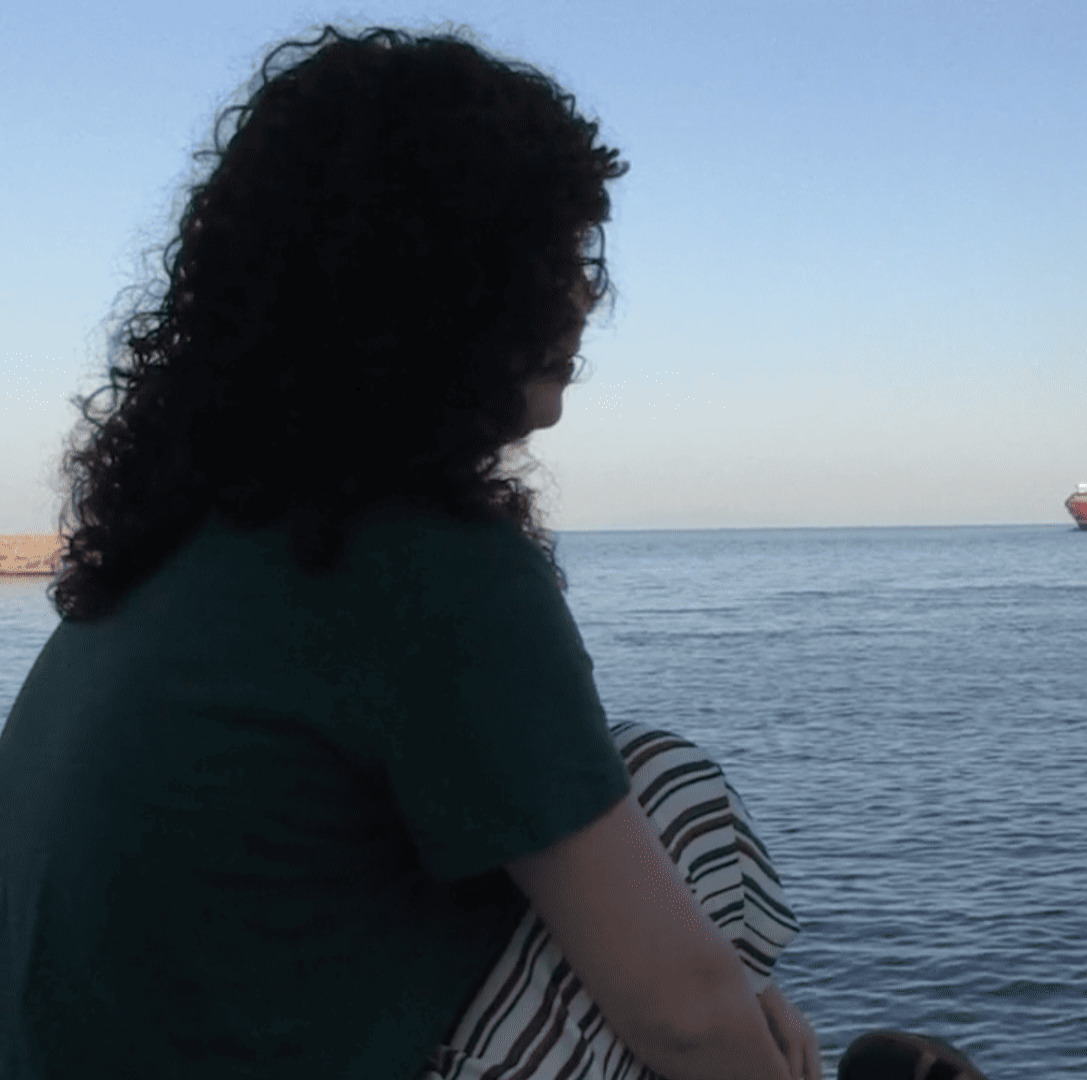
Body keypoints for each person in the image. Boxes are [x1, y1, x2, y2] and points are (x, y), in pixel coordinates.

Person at [0, 28, 817, 1080]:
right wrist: (726, 1012)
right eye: (554, 258)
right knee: (668, 792)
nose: (585, 297)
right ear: (437, 279)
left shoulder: (171, 548)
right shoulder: (421, 565)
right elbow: (684, 1018)